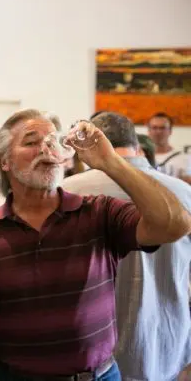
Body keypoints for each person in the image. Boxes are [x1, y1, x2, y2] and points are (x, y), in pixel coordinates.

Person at [0, 108, 191, 381]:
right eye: (31, 142)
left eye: (52, 141)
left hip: (98, 376)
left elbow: (173, 225)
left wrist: (110, 162)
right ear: (4, 161)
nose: (46, 149)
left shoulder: (99, 212)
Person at [62, 112, 191, 381]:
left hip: (90, 352)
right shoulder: (183, 193)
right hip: (166, 342)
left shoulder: (66, 192)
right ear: (137, 143)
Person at [147, 112, 191, 183]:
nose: (158, 132)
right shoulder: (141, 158)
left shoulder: (184, 158)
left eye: (162, 128)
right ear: (148, 130)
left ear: (170, 131)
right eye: (154, 128)